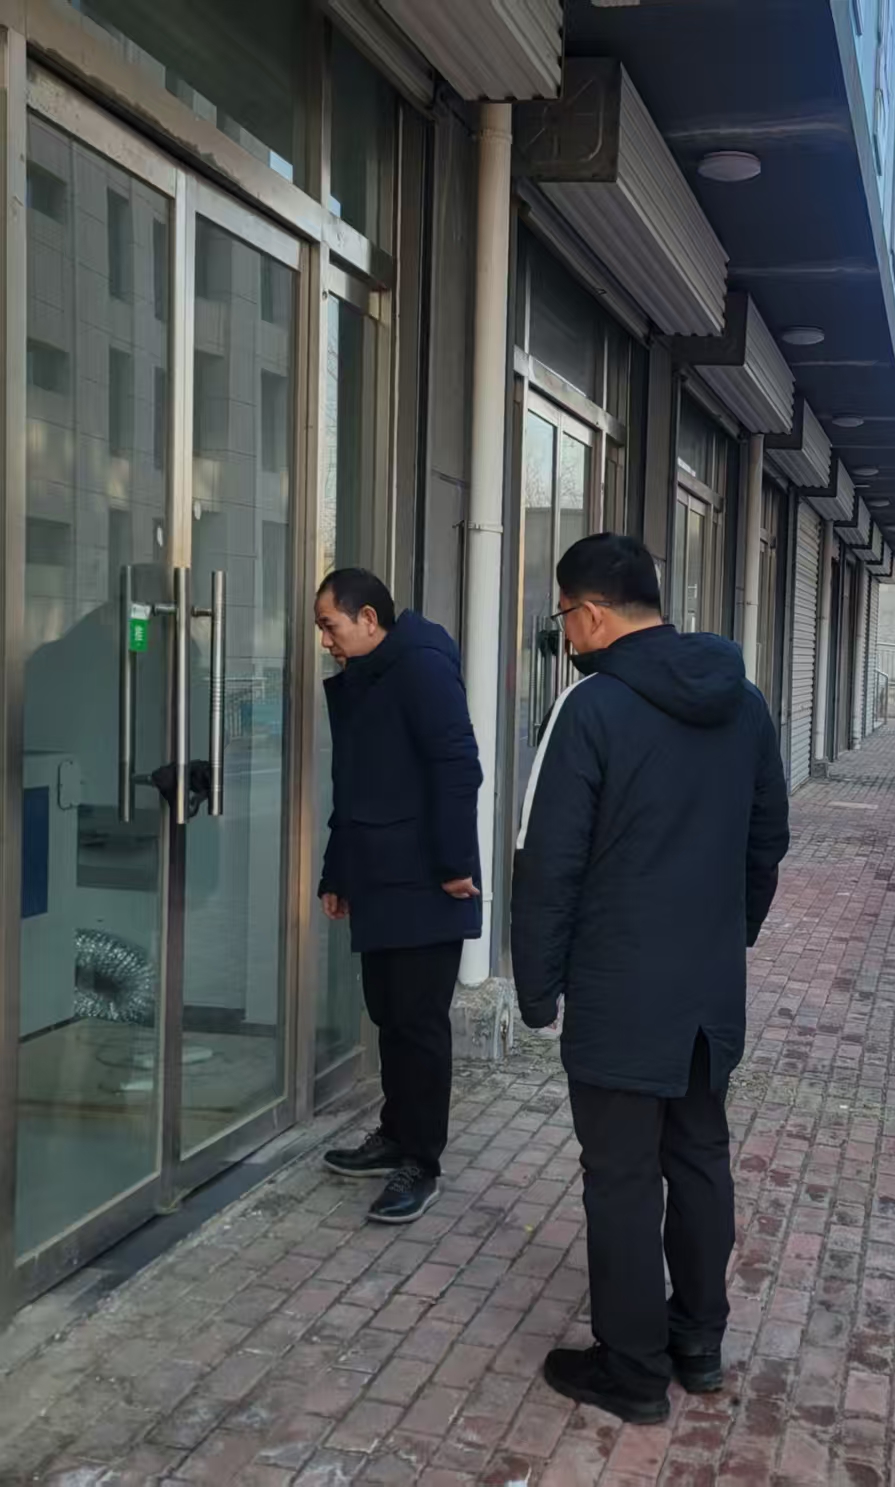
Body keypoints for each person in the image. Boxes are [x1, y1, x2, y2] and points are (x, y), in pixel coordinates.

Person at [511, 533, 790, 1424]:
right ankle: (697, 1343)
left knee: (623, 1174)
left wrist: (536, 985)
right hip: (707, 989)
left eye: (564, 617)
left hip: (620, 986)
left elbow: (548, 863)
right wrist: (728, 938)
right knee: (699, 1153)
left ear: (590, 614)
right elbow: (767, 839)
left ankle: (631, 1370)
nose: (566, 634)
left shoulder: (591, 707)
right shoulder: (744, 701)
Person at [315, 569, 482, 1224]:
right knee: (388, 1012)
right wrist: (337, 872)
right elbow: (352, 783)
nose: (325, 639)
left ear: (368, 620)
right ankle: (394, 1134)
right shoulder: (370, 674)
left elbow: (457, 764)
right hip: (380, 874)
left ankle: (421, 1161)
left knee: (419, 1024)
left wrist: (455, 863)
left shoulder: (421, 666)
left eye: (330, 624)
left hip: (427, 879)